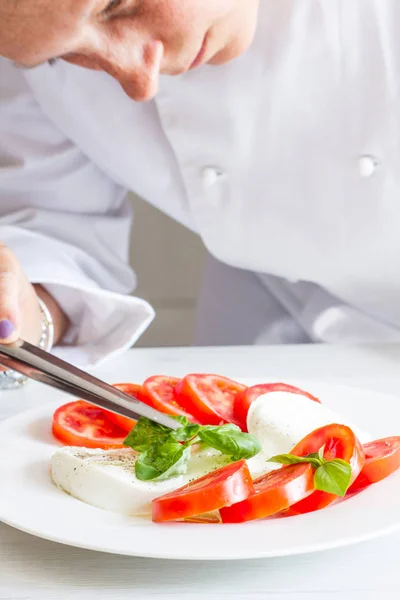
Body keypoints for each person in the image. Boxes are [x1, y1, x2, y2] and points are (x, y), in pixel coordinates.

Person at [1, 0, 400, 386]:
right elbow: (54, 230)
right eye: (62, 56)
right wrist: (18, 308)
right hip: (261, 310)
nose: (141, 80)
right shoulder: (24, 31)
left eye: (119, 5)